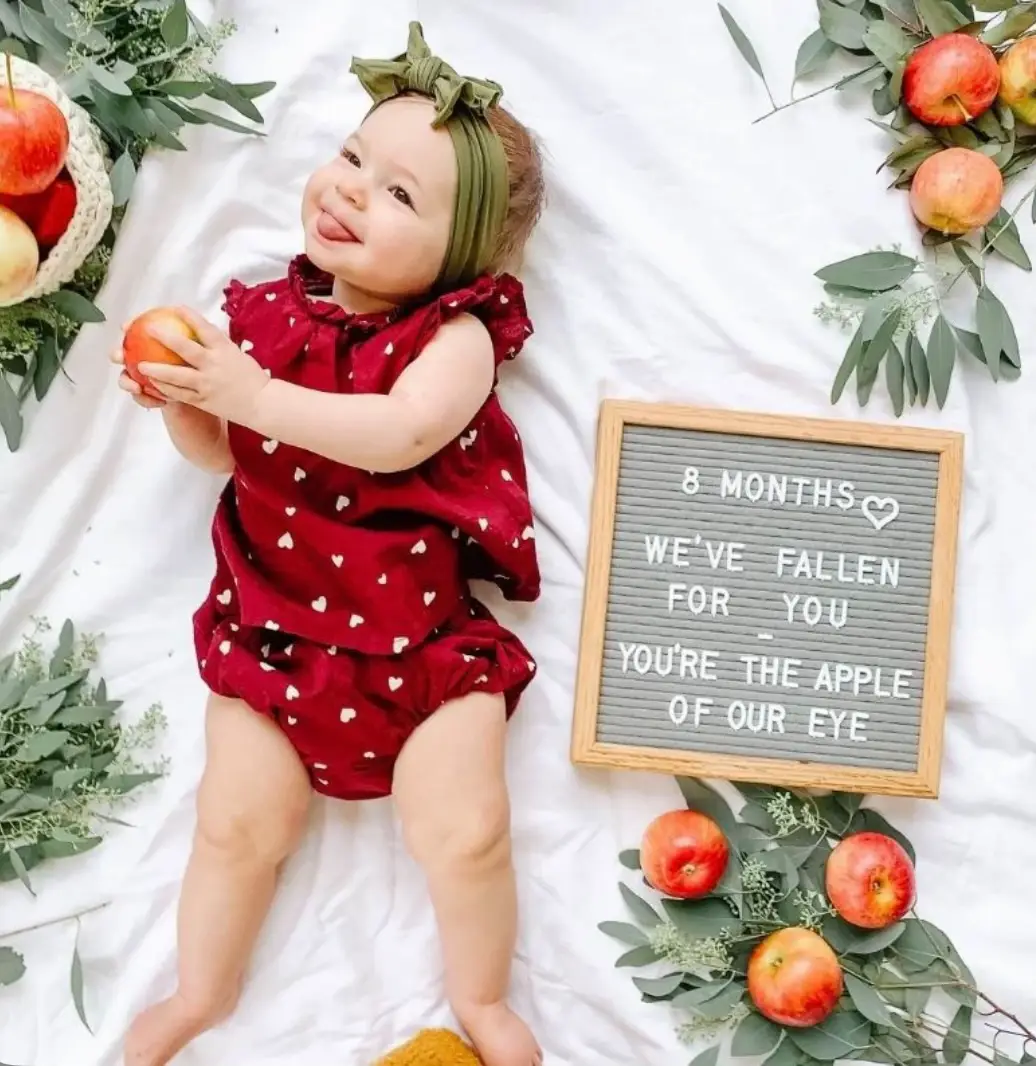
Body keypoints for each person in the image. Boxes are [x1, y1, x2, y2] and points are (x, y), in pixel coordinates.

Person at [114, 23, 545, 1066]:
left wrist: (250, 392)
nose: (351, 188)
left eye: (399, 194)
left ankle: (482, 999)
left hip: (422, 651)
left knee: (467, 832)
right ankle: (200, 993)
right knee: (234, 827)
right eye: (353, 156)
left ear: (458, 255)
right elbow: (228, 457)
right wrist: (189, 403)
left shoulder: (453, 339)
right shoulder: (264, 320)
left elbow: (398, 434)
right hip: (273, 637)